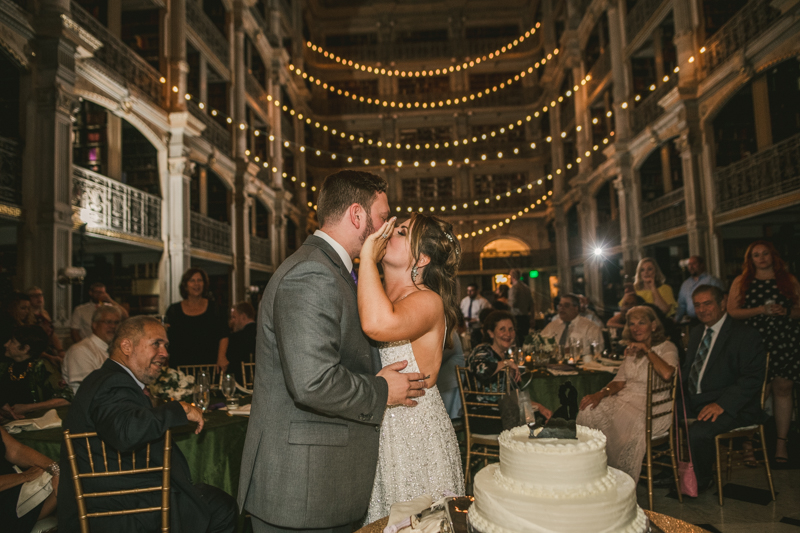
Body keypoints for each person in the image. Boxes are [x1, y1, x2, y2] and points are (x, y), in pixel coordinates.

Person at [238, 170, 426, 533]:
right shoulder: (313, 272)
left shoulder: (336, 269)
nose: (387, 227)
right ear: (358, 215)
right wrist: (384, 390)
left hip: (320, 483)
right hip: (303, 488)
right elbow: (313, 381)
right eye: (383, 217)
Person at [58, 316, 237, 532]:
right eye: (156, 344)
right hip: (119, 510)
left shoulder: (106, 378)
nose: (164, 353)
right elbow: (126, 431)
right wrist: (179, 409)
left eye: (166, 346)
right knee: (221, 507)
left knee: (205, 497)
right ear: (126, 346)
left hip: (119, 498)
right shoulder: (112, 383)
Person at [357, 213, 465, 521]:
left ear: (421, 258)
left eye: (402, 232)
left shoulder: (427, 300)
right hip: (381, 422)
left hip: (415, 431)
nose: (389, 231)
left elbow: (378, 324)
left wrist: (366, 256)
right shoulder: (376, 293)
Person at [576, 306, 679, 481]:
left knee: (621, 428)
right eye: (632, 324)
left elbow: (668, 374)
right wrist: (600, 394)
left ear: (653, 326)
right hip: (625, 400)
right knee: (588, 410)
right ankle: (593, 472)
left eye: (641, 323)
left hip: (652, 408)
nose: (636, 328)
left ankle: (618, 478)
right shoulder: (632, 350)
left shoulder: (667, 347)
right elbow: (619, 382)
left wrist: (647, 350)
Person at [682, 285, 766, 491]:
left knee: (698, 433)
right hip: (698, 400)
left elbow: (753, 379)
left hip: (734, 405)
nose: (702, 310)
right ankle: (676, 473)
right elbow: (687, 370)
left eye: (707, 303)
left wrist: (721, 404)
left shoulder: (744, 335)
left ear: (722, 303)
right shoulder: (696, 333)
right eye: (697, 305)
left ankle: (701, 481)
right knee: (658, 420)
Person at [727, 241, 800, 464]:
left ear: (773, 255)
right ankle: (747, 442)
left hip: (783, 340)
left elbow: (798, 308)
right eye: (756, 255)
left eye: (765, 253)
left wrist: (785, 311)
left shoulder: (788, 279)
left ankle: (781, 444)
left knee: (783, 388)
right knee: (758, 391)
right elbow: (732, 311)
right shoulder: (742, 281)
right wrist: (760, 310)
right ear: (750, 260)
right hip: (755, 341)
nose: (761, 258)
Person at [466, 310, 552, 434]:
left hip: (502, 414)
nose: (508, 334)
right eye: (502, 329)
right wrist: (506, 363)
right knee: (536, 422)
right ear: (491, 333)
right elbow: (481, 370)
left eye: (511, 329)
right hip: (483, 417)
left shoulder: (503, 358)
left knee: (544, 417)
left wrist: (539, 406)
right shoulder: (482, 350)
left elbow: (513, 397)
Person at [0, 326, 71, 421]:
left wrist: (28, 408)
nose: (6, 344)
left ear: (25, 348)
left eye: (12, 342)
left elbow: (66, 398)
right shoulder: (5, 367)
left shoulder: (42, 367)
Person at [164, 268, 229, 369]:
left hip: (209, 365)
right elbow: (167, 337)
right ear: (185, 285)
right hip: (180, 365)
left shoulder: (215, 308)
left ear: (204, 284)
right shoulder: (173, 310)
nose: (196, 284)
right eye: (192, 281)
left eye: (199, 280)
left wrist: (222, 356)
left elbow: (224, 334)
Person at [1, 426, 59, 533]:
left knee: (65, 478)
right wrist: (24, 477)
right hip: (6, 498)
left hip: (15, 486)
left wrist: (54, 468)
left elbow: (16, 450)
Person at [62, 306, 122, 393]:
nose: (113, 326)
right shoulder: (80, 350)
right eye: (108, 322)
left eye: (116, 322)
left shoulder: (117, 350)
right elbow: (90, 388)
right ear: (94, 325)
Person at [676, 256, 725, 325]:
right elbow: (681, 305)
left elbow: (722, 300)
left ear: (701, 265)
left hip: (711, 320)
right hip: (693, 322)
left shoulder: (712, 280)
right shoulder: (685, 284)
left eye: (694, 264)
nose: (691, 266)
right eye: (689, 264)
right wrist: (676, 320)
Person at [26, 287, 66, 364]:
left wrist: (60, 350)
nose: (39, 298)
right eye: (35, 296)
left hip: (49, 348)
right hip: (37, 352)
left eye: (40, 295)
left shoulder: (44, 314)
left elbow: (52, 334)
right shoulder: (27, 316)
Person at [221, 302, 257, 385]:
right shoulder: (263, 333)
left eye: (234, 317)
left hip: (241, 385)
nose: (231, 321)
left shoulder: (236, 338)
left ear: (243, 317)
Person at [439, 331, 465, 419]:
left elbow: (438, 358)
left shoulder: (450, 332)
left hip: (450, 383)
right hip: (445, 382)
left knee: (448, 419)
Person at [508, 269, 533, 339]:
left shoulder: (514, 288)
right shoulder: (526, 288)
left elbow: (512, 303)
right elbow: (531, 304)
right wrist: (532, 318)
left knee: (517, 339)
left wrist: (506, 302)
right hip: (525, 317)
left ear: (513, 277)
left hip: (516, 317)